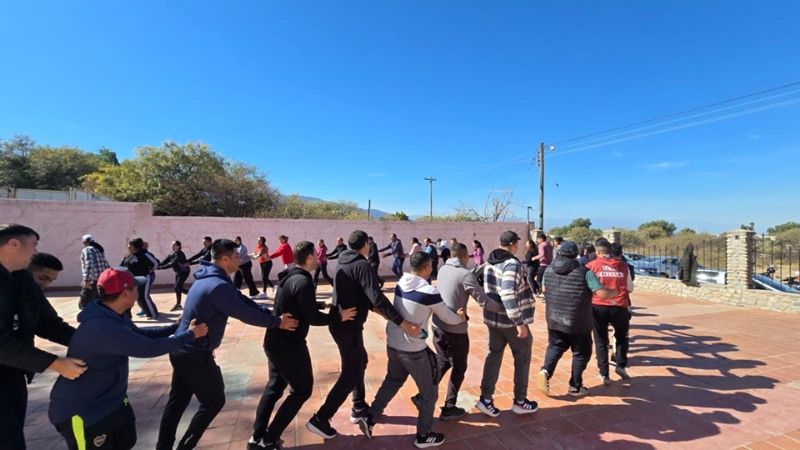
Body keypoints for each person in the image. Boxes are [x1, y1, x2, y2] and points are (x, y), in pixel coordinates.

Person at [156, 239, 299, 450]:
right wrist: (277, 322)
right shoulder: (218, 286)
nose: (238, 259)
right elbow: (244, 313)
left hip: (182, 351)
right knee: (213, 401)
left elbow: (242, 301)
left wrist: (270, 314)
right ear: (224, 259)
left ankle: (163, 446)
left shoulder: (210, 279)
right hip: (194, 354)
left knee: (177, 403)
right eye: (235, 257)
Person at [49, 267, 208, 450]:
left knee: (126, 441)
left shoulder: (112, 315)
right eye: (135, 288)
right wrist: (191, 335)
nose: (138, 291)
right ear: (125, 293)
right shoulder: (104, 327)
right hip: (84, 411)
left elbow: (142, 334)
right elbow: (149, 348)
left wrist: (174, 327)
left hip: (110, 401)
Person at [307, 230, 420, 440]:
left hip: (343, 325)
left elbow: (361, 294)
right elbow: (376, 297)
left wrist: (376, 311)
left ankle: (358, 406)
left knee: (360, 362)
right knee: (350, 374)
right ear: (366, 244)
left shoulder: (343, 261)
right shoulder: (362, 264)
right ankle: (320, 418)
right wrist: (402, 322)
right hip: (347, 327)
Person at [248, 241, 357, 450]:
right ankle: (269, 439)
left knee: (274, 388)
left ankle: (257, 437)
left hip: (274, 342)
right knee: (301, 390)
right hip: (289, 346)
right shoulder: (304, 282)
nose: (318, 259)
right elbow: (314, 318)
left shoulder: (291, 277)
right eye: (315, 256)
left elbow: (300, 302)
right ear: (309, 258)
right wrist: (338, 316)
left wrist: (323, 304)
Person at [362, 251, 466, 448]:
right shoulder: (429, 292)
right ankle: (424, 435)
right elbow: (447, 317)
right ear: (427, 267)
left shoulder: (401, 283)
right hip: (413, 350)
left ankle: (370, 417)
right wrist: (461, 316)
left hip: (394, 343)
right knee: (430, 392)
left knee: (392, 381)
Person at [1, 224, 84, 450]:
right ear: (14, 244)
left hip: (13, 376)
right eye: (33, 244)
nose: (36, 252)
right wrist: (54, 363)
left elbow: (47, 323)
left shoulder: (23, 281)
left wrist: (88, 342)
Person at [535, 241, 617, 397]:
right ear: (575, 255)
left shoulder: (549, 270)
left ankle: (545, 371)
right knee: (581, 352)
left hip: (554, 318)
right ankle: (575, 386)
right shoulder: (584, 272)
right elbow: (602, 294)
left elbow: (544, 289)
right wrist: (614, 292)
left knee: (555, 346)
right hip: (578, 321)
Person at [475, 230, 538, 417]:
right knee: (522, 357)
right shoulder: (511, 264)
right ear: (513, 245)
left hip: (492, 320)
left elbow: (473, 277)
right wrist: (519, 322)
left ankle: (485, 399)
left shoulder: (489, 263)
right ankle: (520, 400)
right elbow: (508, 292)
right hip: (510, 322)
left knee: (493, 356)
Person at [432, 242, 495, 421]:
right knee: (459, 367)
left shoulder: (444, 269)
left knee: (443, 361)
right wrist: (505, 308)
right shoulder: (465, 274)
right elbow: (483, 300)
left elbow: (463, 280)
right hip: (455, 329)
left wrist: (480, 269)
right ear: (465, 256)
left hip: (437, 325)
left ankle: (423, 396)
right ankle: (449, 407)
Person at [586, 240, 634, 385]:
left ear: (598, 251)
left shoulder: (591, 265)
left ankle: (604, 374)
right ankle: (620, 365)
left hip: (598, 306)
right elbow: (630, 288)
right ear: (610, 251)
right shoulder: (623, 266)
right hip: (620, 306)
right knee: (621, 337)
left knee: (601, 340)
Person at [121, 238, 158, 319]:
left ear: (135, 246)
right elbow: (122, 265)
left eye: (130, 245)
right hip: (131, 279)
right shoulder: (128, 255)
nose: (128, 246)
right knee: (136, 296)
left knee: (144, 296)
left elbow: (155, 263)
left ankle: (152, 314)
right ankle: (144, 312)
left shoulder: (144, 254)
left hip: (144, 278)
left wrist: (152, 269)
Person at [158, 241, 191, 311]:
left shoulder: (180, 254)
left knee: (177, 287)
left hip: (184, 272)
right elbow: (165, 261)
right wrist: (157, 265)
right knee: (178, 288)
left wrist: (158, 268)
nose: (172, 246)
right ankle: (178, 305)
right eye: (171, 245)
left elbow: (171, 264)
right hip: (178, 272)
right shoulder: (172, 254)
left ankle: (194, 294)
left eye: (174, 245)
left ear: (179, 246)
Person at [79, 234, 110, 309]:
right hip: (101, 280)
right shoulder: (98, 250)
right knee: (96, 299)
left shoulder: (87, 250)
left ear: (85, 242)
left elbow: (89, 264)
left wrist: (86, 280)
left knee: (85, 300)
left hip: (92, 280)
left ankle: (86, 316)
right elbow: (106, 264)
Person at [532, 233, 553, 299]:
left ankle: (543, 293)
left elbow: (542, 254)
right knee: (547, 280)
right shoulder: (549, 245)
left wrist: (534, 258)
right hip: (549, 265)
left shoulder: (541, 245)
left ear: (541, 239)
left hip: (543, 265)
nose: (537, 240)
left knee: (539, 280)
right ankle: (547, 294)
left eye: (537, 239)